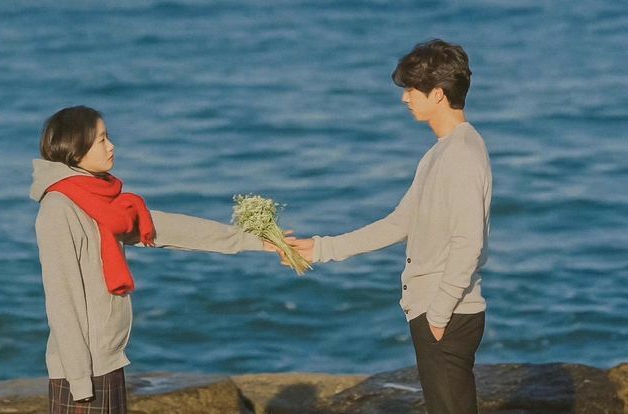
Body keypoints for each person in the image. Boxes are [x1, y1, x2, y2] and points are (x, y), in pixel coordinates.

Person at [285, 39, 492, 414]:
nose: (405, 98)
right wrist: (321, 248)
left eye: (412, 89)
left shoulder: (461, 154)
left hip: (447, 313)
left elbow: (468, 242)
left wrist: (440, 312)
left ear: (439, 94)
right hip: (436, 311)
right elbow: (400, 222)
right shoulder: (442, 151)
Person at [30, 105, 270, 413]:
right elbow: (62, 302)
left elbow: (169, 229)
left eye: (108, 137)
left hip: (107, 362)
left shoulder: (101, 203)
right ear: (76, 149)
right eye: (102, 139)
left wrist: (255, 241)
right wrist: (80, 383)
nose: (111, 145)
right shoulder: (59, 209)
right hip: (84, 374)